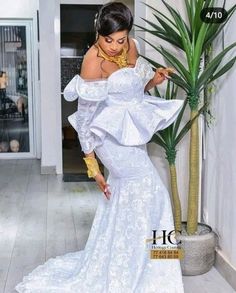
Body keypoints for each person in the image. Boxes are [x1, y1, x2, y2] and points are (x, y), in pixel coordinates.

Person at [15, 2, 185, 292]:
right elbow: (84, 119)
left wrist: (153, 80)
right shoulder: (92, 62)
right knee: (155, 194)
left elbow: (135, 87)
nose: (116, 47)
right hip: (107, 137)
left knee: (130, 201)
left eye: (121, 39)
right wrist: (93, 168)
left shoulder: (132, 47)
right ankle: (154, 269)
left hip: (131, 131)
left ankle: (140, 266)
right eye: (109, 40)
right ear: (99, 33)